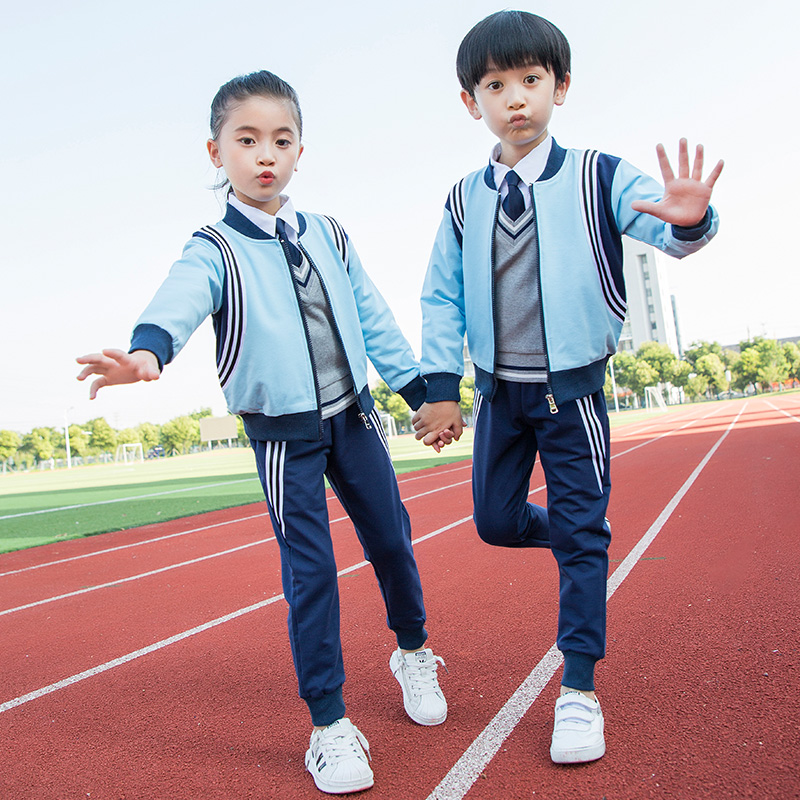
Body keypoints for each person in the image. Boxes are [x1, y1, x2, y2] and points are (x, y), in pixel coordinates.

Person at [76, 70, 447, 795]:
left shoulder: (331, 233)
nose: (264, 154)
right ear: (215, 154)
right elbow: (179, 298)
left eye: (281, 139)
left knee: (394, 543)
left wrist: (418, 392)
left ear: (301, 151)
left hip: (354, 417)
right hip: (283, 437)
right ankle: (330, 726)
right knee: (311, 575)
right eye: (246, 140)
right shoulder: (214, 246)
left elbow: (372, 317)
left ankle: (413, 651)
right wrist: (148, 350)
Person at [412, 11, 722, 765]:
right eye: (495, 85)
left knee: (581, 539)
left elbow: (669, 226)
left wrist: (692, 222)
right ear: (470, 101)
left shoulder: (600, 175)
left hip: (571, 394)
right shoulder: (462, 198)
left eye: (530, 80)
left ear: (561, 86)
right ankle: (584, 539)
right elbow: (441, 297)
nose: (514, 97)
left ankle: (578, 691)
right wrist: (441, 385)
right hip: (499, 398)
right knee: (493, 521)